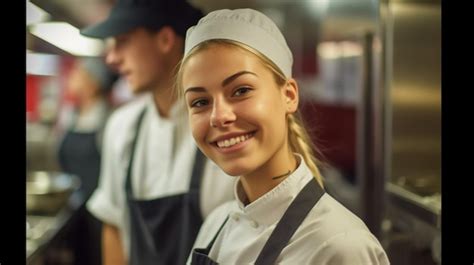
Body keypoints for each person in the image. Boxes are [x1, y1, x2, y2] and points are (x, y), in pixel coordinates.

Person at [177, 8, 391, 264]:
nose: (218, 116)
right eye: (200, 102)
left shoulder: (340, 247)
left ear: (288, 95)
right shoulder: (216, 224)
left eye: (241, 90)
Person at [79, 1, 235, 265]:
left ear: (164, 40)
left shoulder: (225, 127)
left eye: (123, 41)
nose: (112, 58)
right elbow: (114, 225)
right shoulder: (122, 127)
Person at [56, 57, 118, 265]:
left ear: (93, 83)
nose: (72, 78)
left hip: (99, 211)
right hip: (72, 208)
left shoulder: (110, 120)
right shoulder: (70, 115)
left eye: (78, 74)